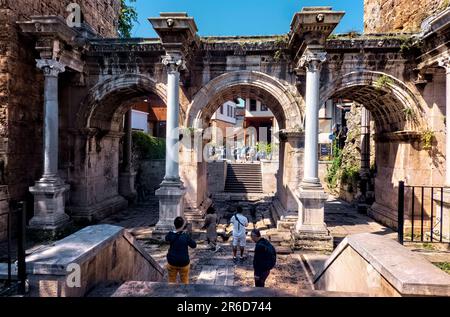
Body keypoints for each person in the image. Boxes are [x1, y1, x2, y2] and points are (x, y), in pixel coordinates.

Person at [165, 217, 197, 284]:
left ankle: (170, 292)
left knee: (171, 281)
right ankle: (184, 292)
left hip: (172, 261)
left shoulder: (170, 234)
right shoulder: (185, 236)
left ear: (174, 224)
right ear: (183, 225)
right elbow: (194, 245)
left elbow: (166, 238)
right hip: (183, 262)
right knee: (184, 281)